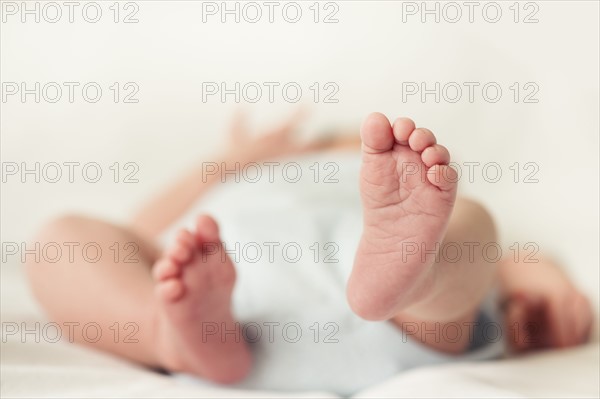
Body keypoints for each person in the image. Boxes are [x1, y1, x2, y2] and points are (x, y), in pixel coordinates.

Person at [25, 112, 593, 392]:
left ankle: (414, 271)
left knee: (470, 225)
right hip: (224, 299)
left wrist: (541, 285)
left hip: (384, 293)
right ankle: (163, 328)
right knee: (62, 239)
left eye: (336, 142)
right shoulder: (226, 188)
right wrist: (234, 160)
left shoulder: (381, 180)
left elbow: (511, 253)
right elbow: (136, 232)